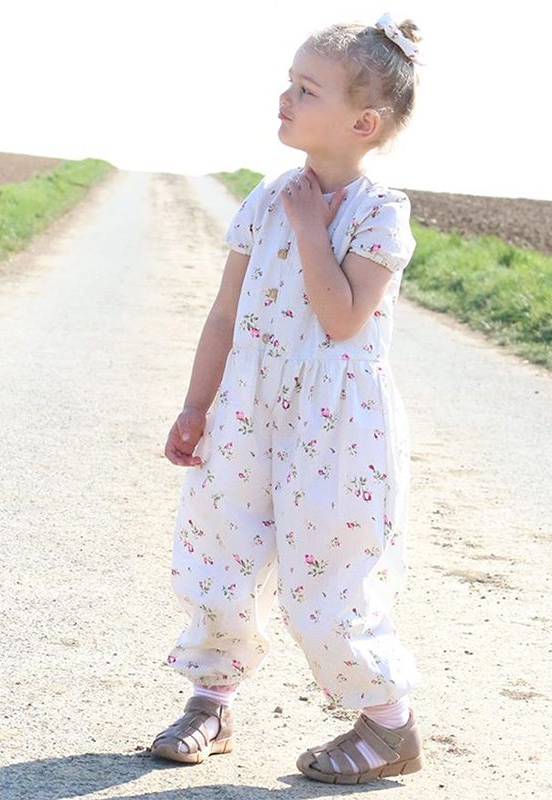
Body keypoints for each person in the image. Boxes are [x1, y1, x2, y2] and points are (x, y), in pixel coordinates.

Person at [148, 11, 425, 785]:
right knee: (220, 551)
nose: (285, 98)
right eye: (289, 83)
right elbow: (224, 316)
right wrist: (196, 405)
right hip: (247, 411)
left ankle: (389, 725)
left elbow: (342, 319)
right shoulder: (267, 199)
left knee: (327, 579)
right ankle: (211, 703)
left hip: (338, 429)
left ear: (363, 123)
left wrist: (310, 225)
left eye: (307, 89)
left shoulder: (379, 213)